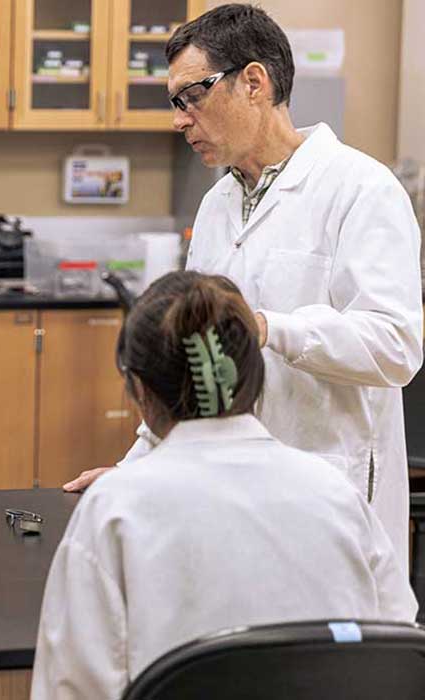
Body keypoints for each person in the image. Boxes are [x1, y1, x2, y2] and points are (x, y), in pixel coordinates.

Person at [64, 4, 423, 572]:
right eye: (174, 103)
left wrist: (267, 328)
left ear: (253, 82)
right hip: (230, 499)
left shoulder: (362, 190)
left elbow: (396, 347)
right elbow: (190, 366)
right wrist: (137, 471)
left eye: (192, 96)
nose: (179, 119)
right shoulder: (217, 205)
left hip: (332, 502)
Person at [33, 271, 419, 700]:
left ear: (138, 389)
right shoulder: (335, 494)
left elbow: (71, 688)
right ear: (256, 376)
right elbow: (397, 650)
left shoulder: (114, 511)